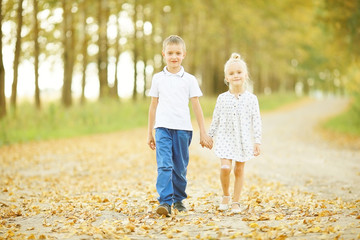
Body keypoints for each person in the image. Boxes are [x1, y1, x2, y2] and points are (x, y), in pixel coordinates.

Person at [147, 35, 212, 217]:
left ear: (184, 54)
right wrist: (149, 132)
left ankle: (178, 199)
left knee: (180, 168)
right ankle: (165, 202)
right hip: (162, 128)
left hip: (183, 129)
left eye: (177, 53)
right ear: (163, 54)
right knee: (164, 166)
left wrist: (203, 132)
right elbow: (153, 106)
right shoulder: (158, 78)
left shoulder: (189, 79)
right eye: (170, 53)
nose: (173, 56)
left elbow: (196, 106)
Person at [208, 53, 262, 213]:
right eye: (231, 73)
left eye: (239, 72)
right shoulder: (222, 98)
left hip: (243, 140)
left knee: (238, 170)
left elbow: (256, 120)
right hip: (225, 138)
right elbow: (216, 119)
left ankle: (236, 202)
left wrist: (257, 141)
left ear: (245, 75)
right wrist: (210, 136)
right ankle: (225, 195)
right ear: (227, 77)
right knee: (225, 167)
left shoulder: (252, 99)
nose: (236, 75)